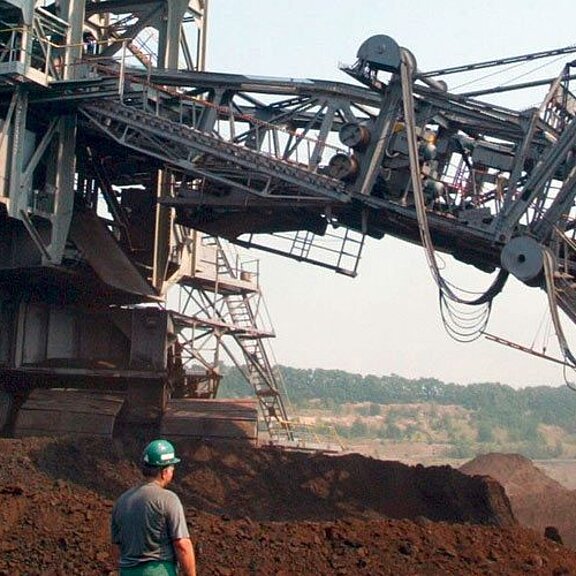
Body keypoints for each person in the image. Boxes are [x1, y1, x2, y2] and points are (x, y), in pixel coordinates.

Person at [111, 439, 197, 576]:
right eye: (172, 468)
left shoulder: (122, 501)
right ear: (164, 472)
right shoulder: (168, 499)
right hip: (158, 571)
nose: (173, 472)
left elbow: (116, 548)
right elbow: (182, 544)